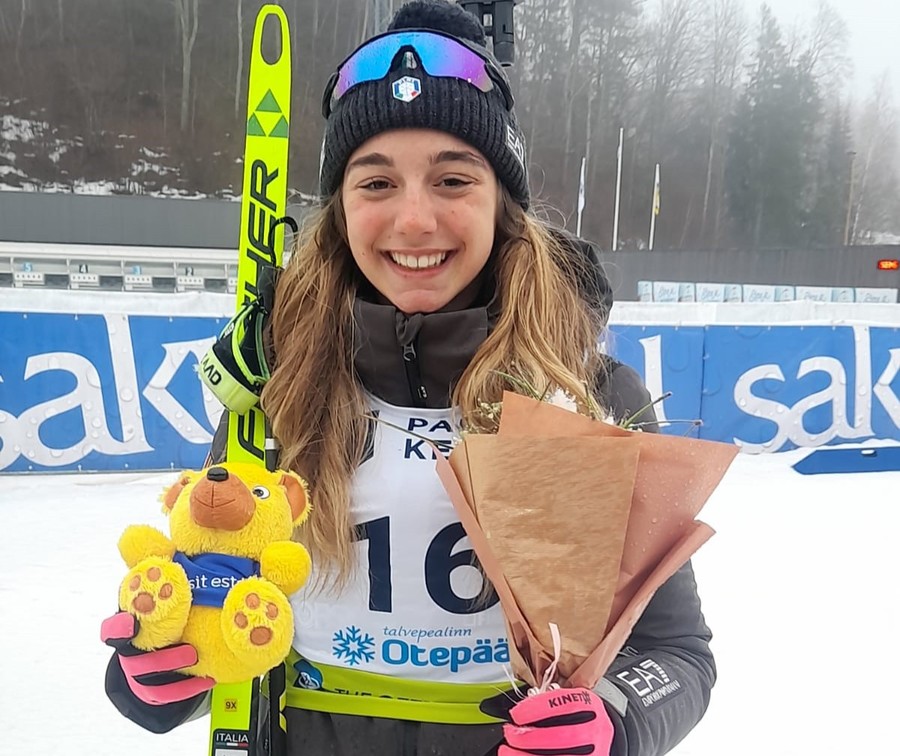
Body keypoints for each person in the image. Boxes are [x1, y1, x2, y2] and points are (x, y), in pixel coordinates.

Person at [102, 2, 714, 754]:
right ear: (340, 210)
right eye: (377, 183)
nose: (415, 220)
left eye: (454, 180)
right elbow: (215, 603)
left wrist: (616, 718)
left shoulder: (583, 394)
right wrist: (157, 672)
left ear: (503, 205)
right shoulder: (276, 386)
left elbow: (676, 654)